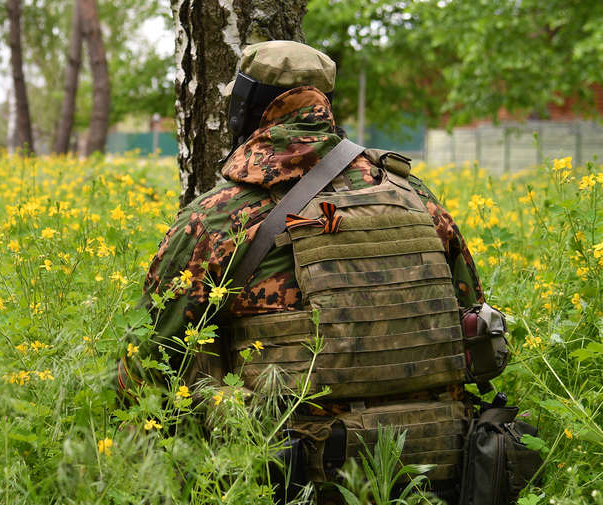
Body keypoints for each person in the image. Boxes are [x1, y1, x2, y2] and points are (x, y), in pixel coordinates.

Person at [122, 41, 491, 503]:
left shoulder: (219, 218)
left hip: (290, 482)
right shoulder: (415, 197)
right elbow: (473, 323)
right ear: (325, 107)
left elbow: (149, 363)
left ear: (247, 107)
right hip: (437, 474)